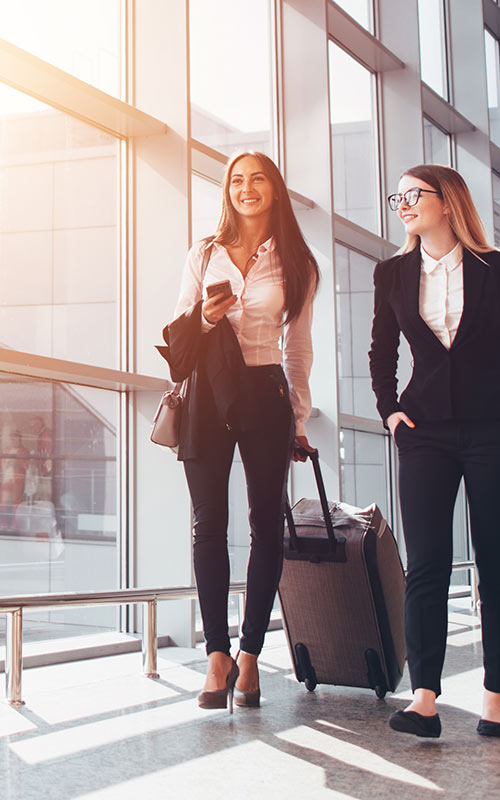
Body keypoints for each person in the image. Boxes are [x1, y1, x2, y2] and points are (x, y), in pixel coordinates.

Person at [162, 151, 319, 712]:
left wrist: (298, 420)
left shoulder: (298, 261)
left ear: (274, 189)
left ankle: (251, 653)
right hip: (207, 392)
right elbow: (178, 331)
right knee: (209, 525)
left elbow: (296, 350)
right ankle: (217, 655)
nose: (246, 188)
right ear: (226, 190)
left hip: (265, 394)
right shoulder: (203, 253)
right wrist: (207, 316)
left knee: (266, 527)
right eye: (236, 180)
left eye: (257, 179)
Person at [369, 163, 500, 739]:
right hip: (423, 431)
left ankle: (495, 701)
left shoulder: (494, 268)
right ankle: (425, 699)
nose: (402, 203)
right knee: (425, 564)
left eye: (413, 194)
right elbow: (380, 350)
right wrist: (389, 411)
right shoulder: (392, 273)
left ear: (447, 202)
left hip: (492, 428)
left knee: (495, 563)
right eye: (396, 195)